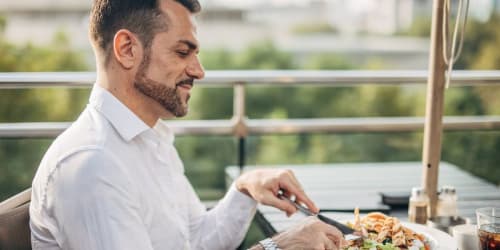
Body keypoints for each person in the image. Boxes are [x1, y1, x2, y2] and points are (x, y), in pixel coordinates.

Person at [29, 0, 347, 249]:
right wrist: (275, 247)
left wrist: (246, 188)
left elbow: (194, 240)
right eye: (183, 52)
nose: (198, 71)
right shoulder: (93, 166)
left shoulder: (148, 138)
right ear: (127, 49)